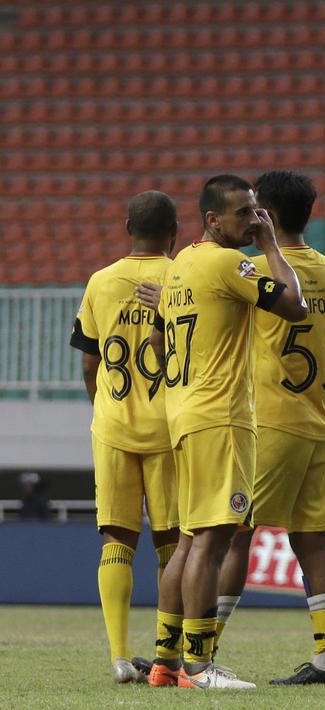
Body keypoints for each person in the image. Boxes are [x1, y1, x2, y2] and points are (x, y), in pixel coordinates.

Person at [144, 175, 307, 690]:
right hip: (221, 416)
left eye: (257, 211)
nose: (254, 220)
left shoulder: (183, 265)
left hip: (185, 413)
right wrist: (271, 245)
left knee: (192, 539)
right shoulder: (225, 262)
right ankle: (198, 665)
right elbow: (295, 305)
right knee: (212, 541)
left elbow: (159, 339)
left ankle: (165, 663)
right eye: (243, 213)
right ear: (212, 220)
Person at [208, 171, 325, 685]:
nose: (247, 218)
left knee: (231, 535)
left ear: (264, 213)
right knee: (312, 541)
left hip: (270, 421)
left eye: (252, 210)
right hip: (320, 419)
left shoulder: (253, 268)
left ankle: (201, 651)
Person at [69, 190, 181, 684]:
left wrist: (104, 405)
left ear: (125, 227)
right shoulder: (181, 279)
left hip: (113, 425)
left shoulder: (100, 281)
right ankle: (166, 655)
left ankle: (119, 655)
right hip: (171, 425)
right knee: (172, 542)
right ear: (175, 232)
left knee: (116, 537)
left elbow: (90, 361)